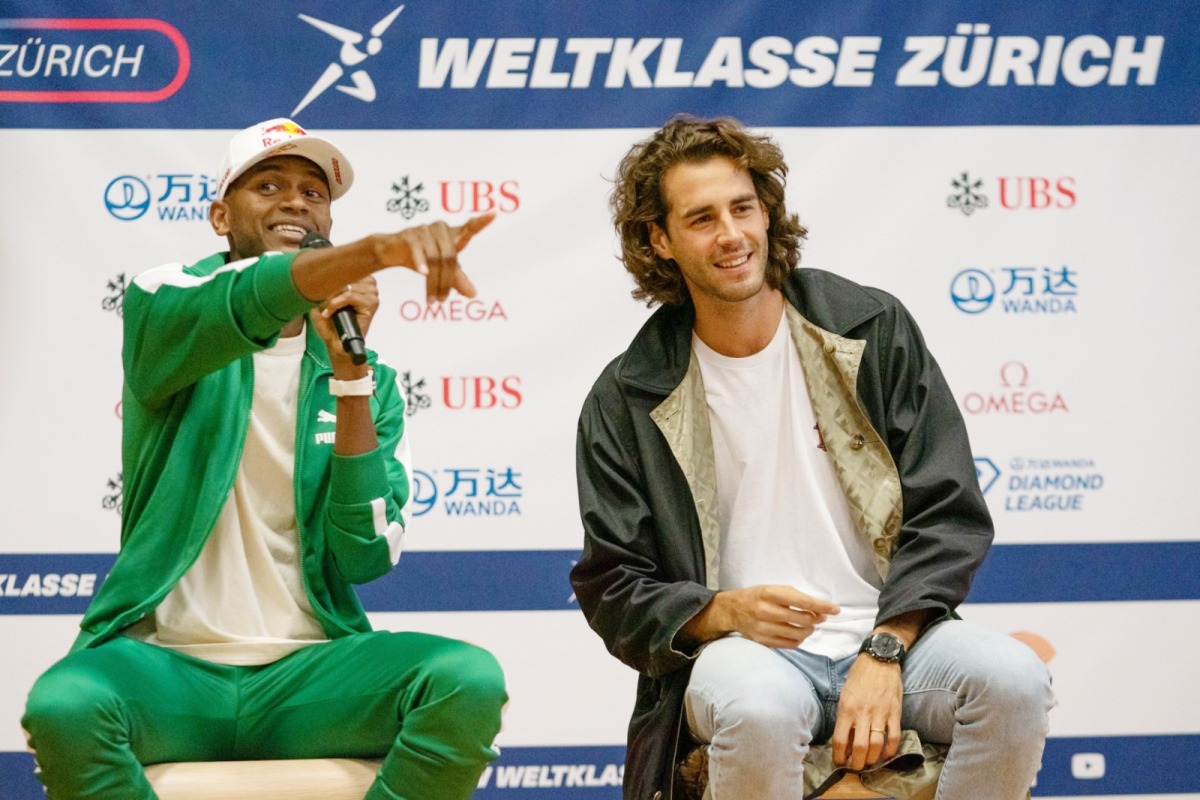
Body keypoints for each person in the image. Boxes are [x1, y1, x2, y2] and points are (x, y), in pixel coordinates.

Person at [570, 115, 1055, 799]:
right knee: (757, 709)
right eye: (702, 218)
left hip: (895, 640)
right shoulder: (626, 395)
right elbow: (613, 586)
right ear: (661, 240)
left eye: (743, 208)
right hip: (742, 660)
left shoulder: (870, 328)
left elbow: (948, 513)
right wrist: (725, 612)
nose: (732, 234)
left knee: (1014, 681)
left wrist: (885, 648)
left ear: (766, 212)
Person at [22, 118, 507, 800]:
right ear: (221, 215)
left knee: (466, 681)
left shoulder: (372, 381)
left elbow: (364, 555)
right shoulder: (166, 303)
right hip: (168, 669)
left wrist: (351, 381)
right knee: (65, 705)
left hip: (308, 676)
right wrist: (378, 250)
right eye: (269, 184)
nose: (295, 201)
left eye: (313, 192)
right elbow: (247, 296)